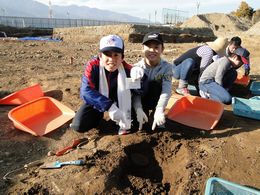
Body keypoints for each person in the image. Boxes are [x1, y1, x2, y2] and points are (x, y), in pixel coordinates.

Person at [70, 34, 132, 135]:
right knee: (79, 125)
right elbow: (86, 91)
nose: (111, 59)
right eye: (107, 54)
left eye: (116, 55)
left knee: (135, 123)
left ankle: (124, 123)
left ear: (122, 57)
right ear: (100, 56)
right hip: (99, 99)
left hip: (119, 99)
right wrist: (109, 106)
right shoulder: (93, 66)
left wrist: (141, 79)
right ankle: (98, 116)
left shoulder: (128, 70)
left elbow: (139, 90)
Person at [130, 32, 173, 131]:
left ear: (162, 49)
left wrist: (159, 110)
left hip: (156, 100)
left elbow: (166, 90)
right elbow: (135, 92)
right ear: (142, 48)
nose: (152, 50)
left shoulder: (167, 67)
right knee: (140, 126)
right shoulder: (137, 68)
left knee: (155, 84)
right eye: (148, 47)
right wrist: (138, 109)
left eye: (156, 47)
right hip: (142, 99)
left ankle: (155, 114)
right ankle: (143, 112)